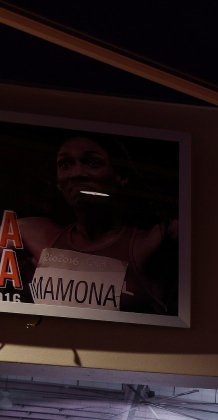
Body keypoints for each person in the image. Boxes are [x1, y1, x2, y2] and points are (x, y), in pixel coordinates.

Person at [13, 130, 177, 315]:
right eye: (65, 164)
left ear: (120, 176)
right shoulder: (33, 233)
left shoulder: (151, 241)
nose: (76, 174)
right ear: (58, 182)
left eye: (92, 163)